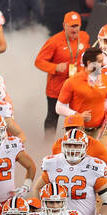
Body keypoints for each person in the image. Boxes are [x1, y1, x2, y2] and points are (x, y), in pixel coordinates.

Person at [34, 12, 89, 142]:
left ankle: (75, 143)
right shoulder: (54, 41)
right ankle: (47, 145)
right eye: (71, 26)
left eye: (76, 26)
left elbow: (87, 56)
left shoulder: (85, 37)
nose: (74, 29)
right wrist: (55, 68)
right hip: (56, 88)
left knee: (75, 117)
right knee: (53, 117)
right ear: (64, 25)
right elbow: (38, 61)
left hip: (76, 87)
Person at [56, 49, 107, 134]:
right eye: (100, 62)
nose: (103, 64)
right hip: (79, 131)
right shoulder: (72, 81)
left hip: (100, 131)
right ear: (89, 63)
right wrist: (78, 115)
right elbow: (59, 107)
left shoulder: (106, 79)